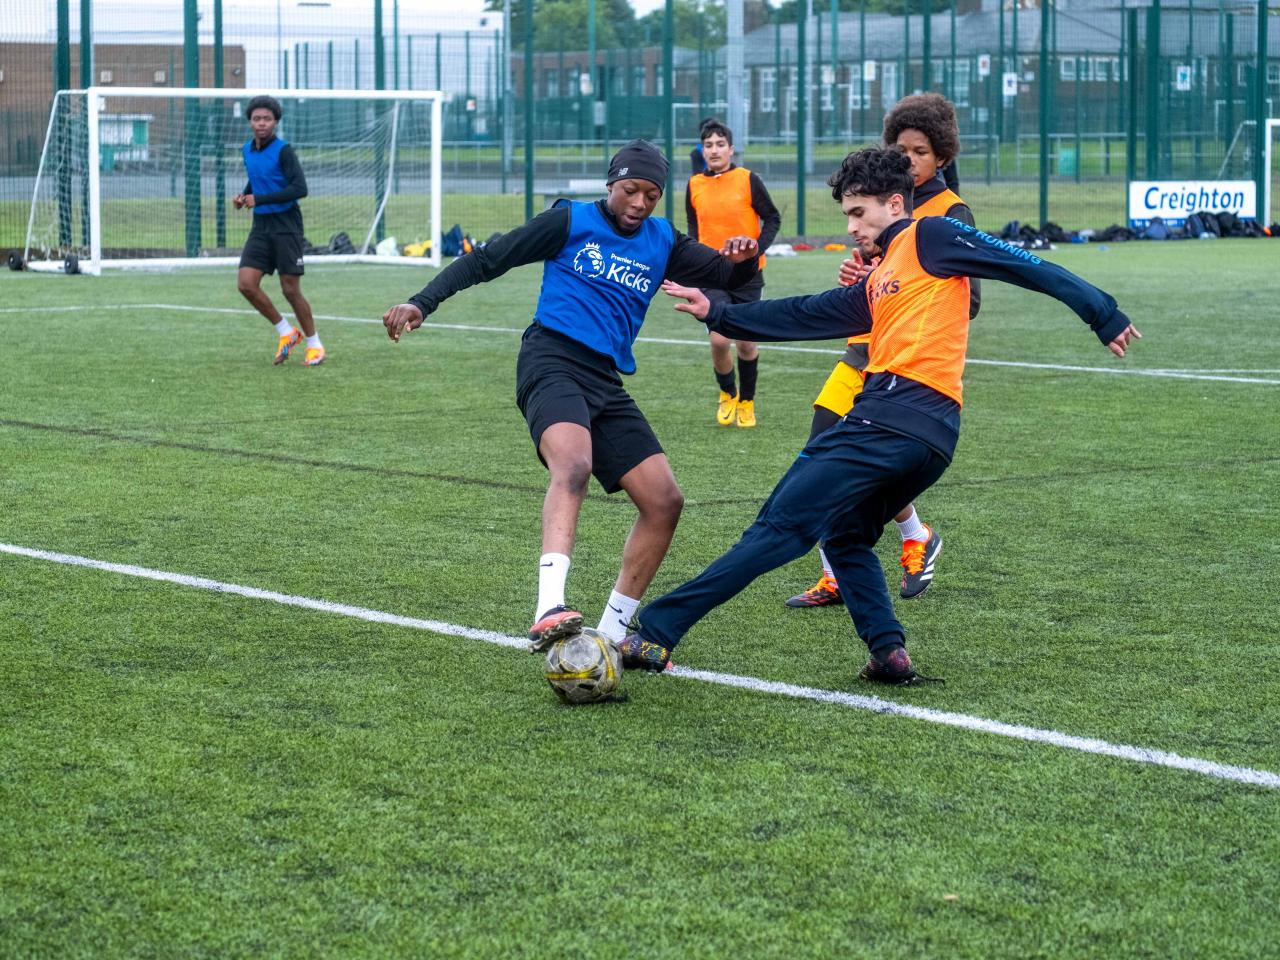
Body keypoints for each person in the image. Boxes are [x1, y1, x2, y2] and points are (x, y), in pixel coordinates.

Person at [614, 147, 1139, 683]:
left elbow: (1024, 263)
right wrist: (720, 311)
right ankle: (889, 652)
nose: (852, 226)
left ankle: (655, 630)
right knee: (844, 536)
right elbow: (811, 312)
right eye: (847, 214)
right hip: (929, 439)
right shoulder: (884, 272)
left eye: (858, 213)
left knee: (778, 526)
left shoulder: (930, 236)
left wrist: (1102, 312)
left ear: (894, 202)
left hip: (890, 418)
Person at [381, 140, 761, 652]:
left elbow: (724, 276)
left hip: (605, 380)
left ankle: (611, 633)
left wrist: (743, 258)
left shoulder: (662, 239)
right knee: (574, 465)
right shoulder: (568, 222)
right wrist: (421, 301)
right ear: (611, 184)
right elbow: (486, 261)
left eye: (652, 194)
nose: (640, 203)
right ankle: (548, 608)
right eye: (630, 190)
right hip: (551, 359)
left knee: (664, 501)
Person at [787, 92, 975, 609]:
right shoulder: (879, 204)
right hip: (860, 353)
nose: (909, 159)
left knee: (843, 463)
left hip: (903, 367)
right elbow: (871, 279)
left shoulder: (947, 213)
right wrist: (860, 279)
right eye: (901, 148)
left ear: (942, 157)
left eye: (920, 151)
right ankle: (889, 547)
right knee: (823, 450)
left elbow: (968, 299)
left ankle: (887, 549)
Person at [686, 118, 782, 428]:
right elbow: (693, 227)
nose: (714, 150)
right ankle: (728, 394)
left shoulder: (747, 179)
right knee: (718, 340)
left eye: (719, 144)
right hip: (712, 275)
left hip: (748, 274)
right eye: (708, 145)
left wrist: (756, 250)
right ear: (703, 151)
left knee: (746, 343)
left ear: (731, 149)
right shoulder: (694, 184)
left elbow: (773, 218)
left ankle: (747, 401)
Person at [234, 95, 325, 367]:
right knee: (246, 284)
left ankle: (314, 344)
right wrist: (245, 195)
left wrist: (259, 199)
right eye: (256, 119)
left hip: (287, 226)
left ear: (275, 122)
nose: (261, 123)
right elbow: (258, 178)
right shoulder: (247, 150)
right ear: (250, 121)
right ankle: (286, 332)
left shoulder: (284, 150)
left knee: (290, 289)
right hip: (261, 227)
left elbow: (299, 189)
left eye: (267, 119)